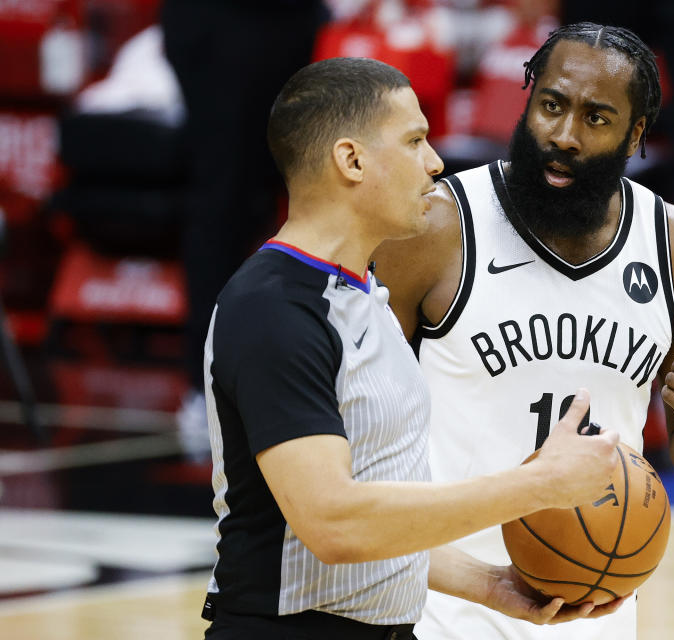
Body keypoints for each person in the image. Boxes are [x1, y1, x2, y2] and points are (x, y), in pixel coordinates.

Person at [200, 57, 628, 639]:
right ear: (351, 160)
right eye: (415, 140)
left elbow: (378, 520)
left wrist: (490, 585)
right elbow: (334, 524)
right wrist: (538, 486)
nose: (435, 162)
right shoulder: (273, 309)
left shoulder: (365, 295)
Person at [372, 22, 674, 639]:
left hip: (598, 613)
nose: (565, 136)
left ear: (635, 136)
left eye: (597, 118)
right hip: (438, 614)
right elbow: (359, 439)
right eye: (552, 105)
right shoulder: (437, 228)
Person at [161, 0, 328, 454]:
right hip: (223, 23)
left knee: (307, 189)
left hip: (294, 20)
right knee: (224, 196)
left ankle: (300, 371)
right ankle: (207, 384)